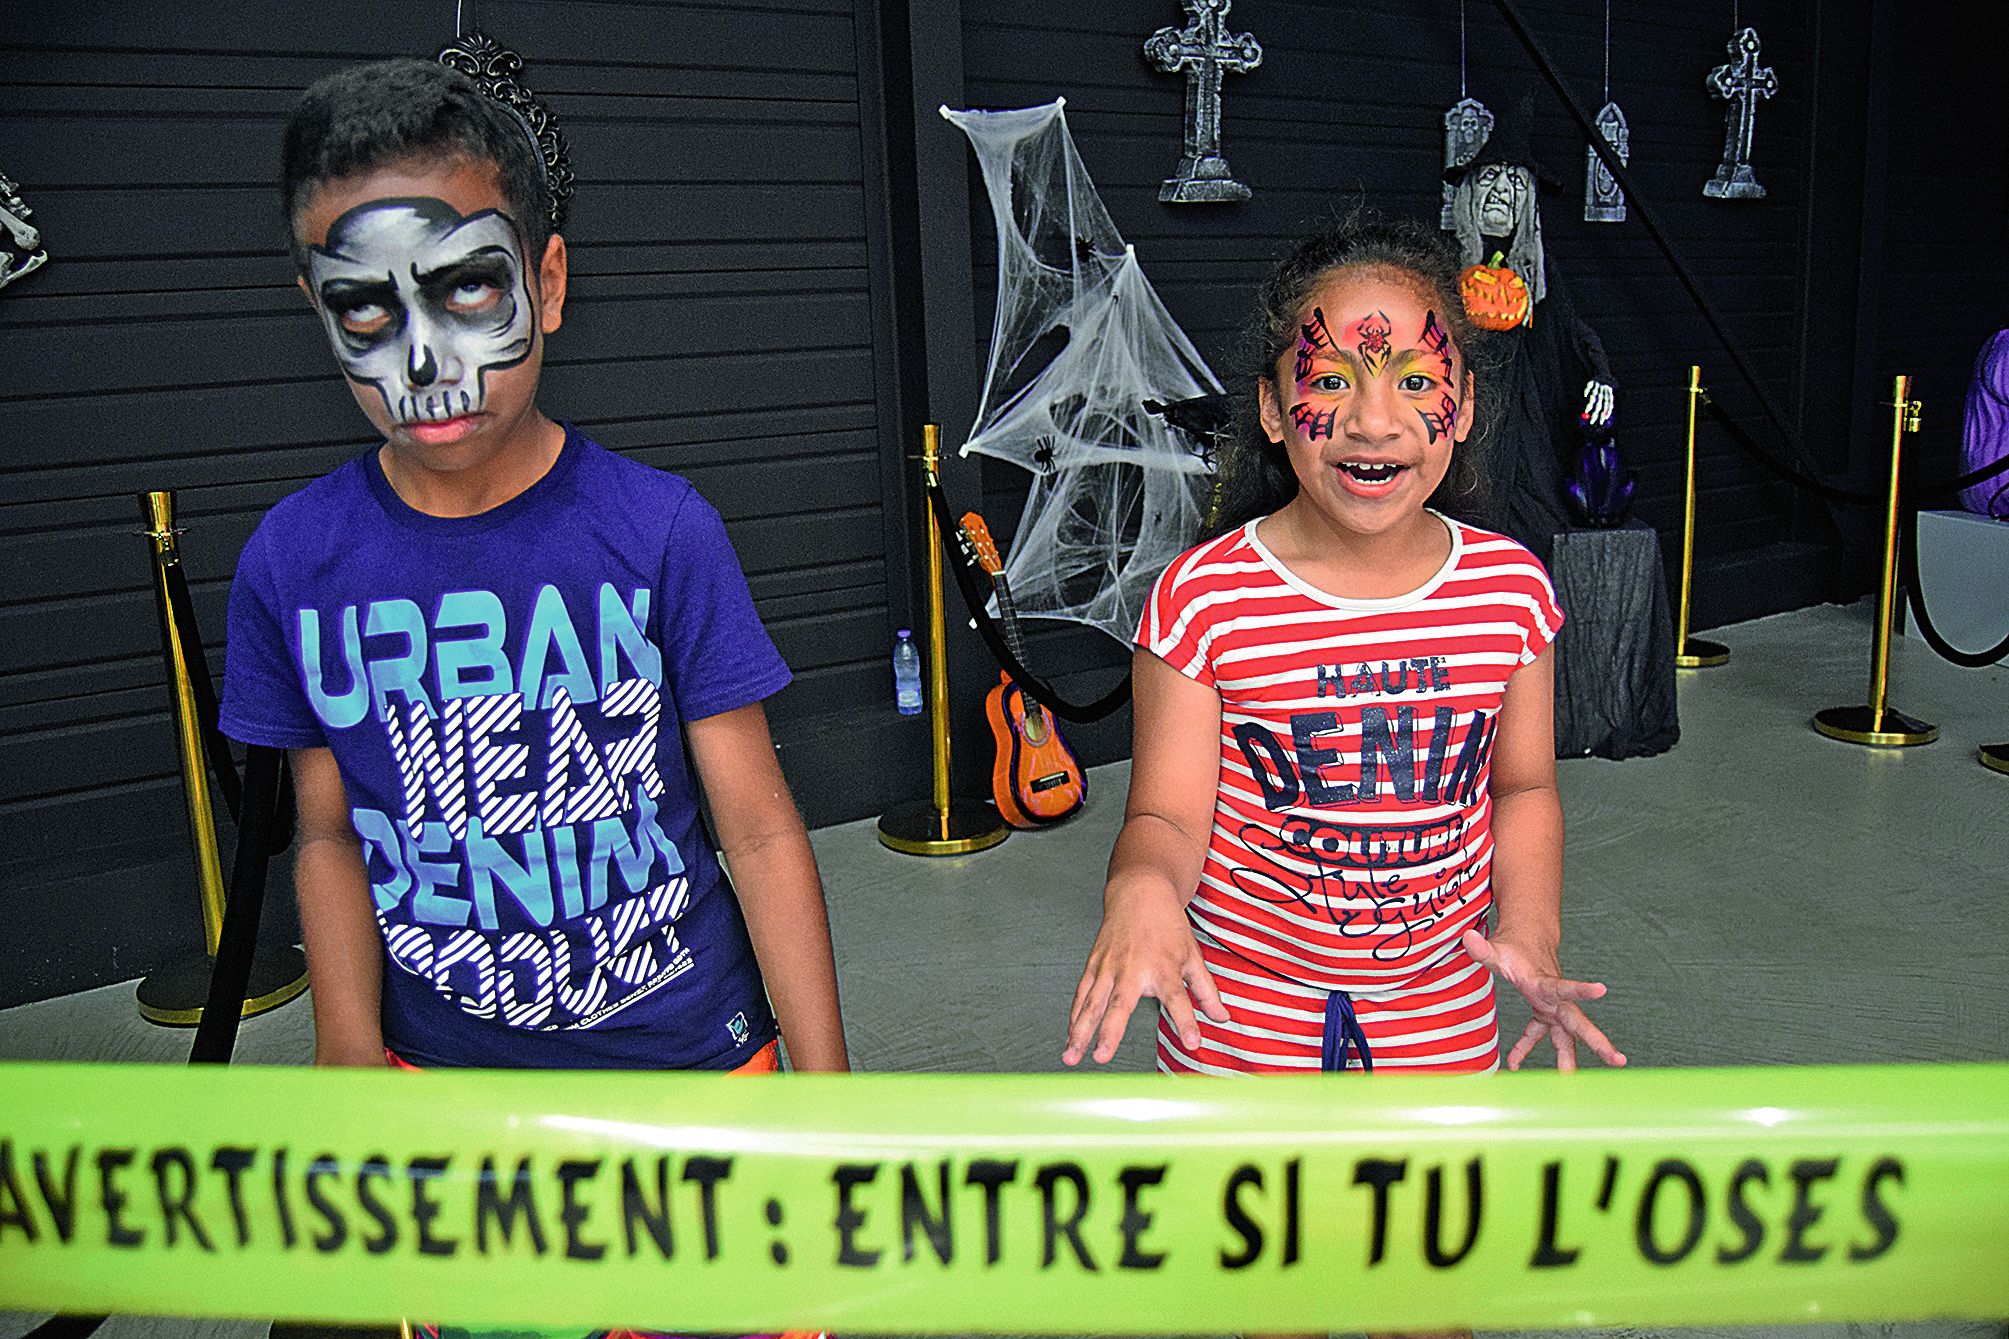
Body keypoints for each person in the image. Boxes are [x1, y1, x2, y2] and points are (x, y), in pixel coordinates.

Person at [220, 58, 848, 1085]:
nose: (426, 365)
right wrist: (344, 1047)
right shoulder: (293, 562)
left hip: (695, 1063)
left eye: (467, 286)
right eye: (365, 310)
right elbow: (327, 834)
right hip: (438, 1076)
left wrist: (827, 1088)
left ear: (544, 283)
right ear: (315, 305)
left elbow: (760, 827)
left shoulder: (660, 530)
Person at [1062, 213, 1623, 1080]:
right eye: (1329, 379)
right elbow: (1166, 816)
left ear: (1464, 405)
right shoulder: (1204, 601)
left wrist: (1531, 932)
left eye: (1414, 381)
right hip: (1235, 1026)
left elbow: (1522, 787)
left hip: (1442, 1018)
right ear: (1272, 408)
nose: (1373, 420)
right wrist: (1138, 889)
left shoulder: (1509, 593)